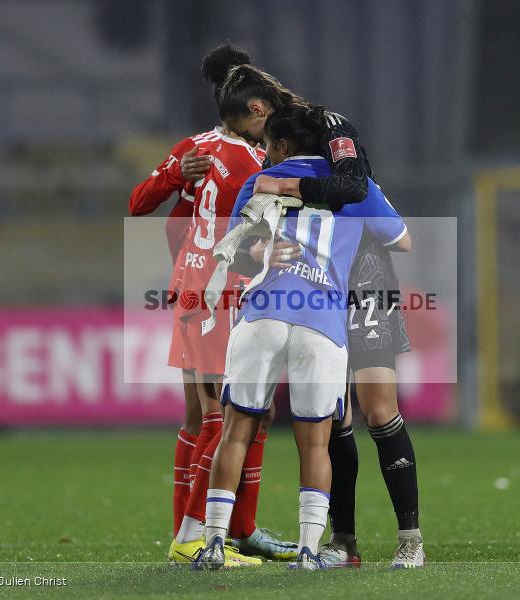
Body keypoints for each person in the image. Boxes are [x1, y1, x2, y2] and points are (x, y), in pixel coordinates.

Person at [200, 63, 425, 567]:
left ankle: (409, 538)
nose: (257, 151)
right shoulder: (278, 171)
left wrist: (288, 197)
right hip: (323, 285)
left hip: (363, 278)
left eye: (253, 137)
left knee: (377, 407)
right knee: (332, 421)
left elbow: (357, 190)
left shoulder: (328, 133)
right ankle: (339, 542)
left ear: (264, 119)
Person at [128, 44, 295, 565]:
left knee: (212, 416)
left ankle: (222, 530)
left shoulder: (196, 148)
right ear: (255, 108)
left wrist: (181, 181)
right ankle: (195, 537)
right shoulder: (246, 159)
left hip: (195, 286)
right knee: (230, 415)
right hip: (217, 291)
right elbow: (146, 206)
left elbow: (147, 208)